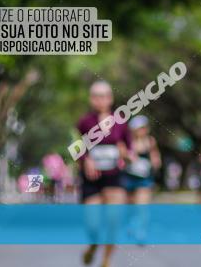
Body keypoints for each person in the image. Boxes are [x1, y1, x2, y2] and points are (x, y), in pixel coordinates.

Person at [76, 80, 131, 267]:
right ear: (91, 99)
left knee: (114, 221)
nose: (100, 100)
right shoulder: (84, 122)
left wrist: (126, 155)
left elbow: (130, 151)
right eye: (96, 96)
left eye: (104, 96)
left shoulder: (121, 122)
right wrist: (86, 160)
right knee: (92, 224)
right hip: (92, 179)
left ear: (110, 98)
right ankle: (93, 246)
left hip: (114, 177)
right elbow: (77, 148)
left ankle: (106, 260)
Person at [123, 116, 161, 243]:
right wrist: (128, 157)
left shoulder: (150, 141)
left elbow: (155, 156)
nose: (142, 131)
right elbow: (122, 156)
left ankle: (141, 232)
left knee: (142, 206)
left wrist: (156, 161)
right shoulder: (128, 142)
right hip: (128, 178)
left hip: (144, 179)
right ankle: (130, 223)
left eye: (144, 128)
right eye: (139, 128)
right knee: (130, 206)